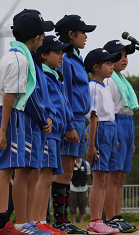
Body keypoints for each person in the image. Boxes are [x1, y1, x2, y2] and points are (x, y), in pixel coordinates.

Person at [0, 9, 54, 235]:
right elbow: (9, 96)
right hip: (8, 116)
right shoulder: (21, 60)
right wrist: (4, 130)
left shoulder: (9, 56)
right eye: (43, 34)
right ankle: (7, 225)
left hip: (0, 114)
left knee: (5, 172)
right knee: (7, 172)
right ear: (36, 38)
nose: (44, 38)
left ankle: (7, 225)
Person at [32, 35, 84, 235]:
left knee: (46, 179)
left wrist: (67, 123)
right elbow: (46, 103)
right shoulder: (44, 76)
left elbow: (63, 104)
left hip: (57, 133)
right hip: (48, 132)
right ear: (44, 55)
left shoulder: (54, 76)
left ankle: (41, 222)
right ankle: (37, 221)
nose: (61, 56)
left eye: (63, 52)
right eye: (57, 52)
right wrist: (52, 118)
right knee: (43, 179)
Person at [52, 15, 95, 234]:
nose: (86, 36)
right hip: (71, 120)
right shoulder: (66, 60)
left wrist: (82, 125)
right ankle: (60, 221)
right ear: (71, 34)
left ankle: (63, 220)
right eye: (83, 32)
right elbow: (65, 95)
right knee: (63, 172)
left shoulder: (76, 57)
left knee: (68, 173)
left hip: (79, 119)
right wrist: (69, 125)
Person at [84, 48, 122, 234]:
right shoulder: (92, 87)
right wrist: (91, 144)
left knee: (106, 178)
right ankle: (94, 220)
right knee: (99, 178)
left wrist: (114, 138)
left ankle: (101, 218)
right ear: (96, 67)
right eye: (108, 63)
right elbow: (93, 116)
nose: (111, 66)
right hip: (99, 131)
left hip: (110, 130)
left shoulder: (106, 86)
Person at [102, 40, 138, 233]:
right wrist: (114, 135)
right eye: (119, 56)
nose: (123, 60)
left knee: (121, 176)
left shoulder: (122, 80)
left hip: (127, 124)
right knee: (113, 175)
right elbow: (108, 109)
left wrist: (131, 139)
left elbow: (128, 109)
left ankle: (118, 215)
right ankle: (110, 218)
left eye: (125, 56)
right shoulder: (108, 80)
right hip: (115, 123)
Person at [69, 158, 91, 226]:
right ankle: (74, 223)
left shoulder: (86, 164)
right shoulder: (71, 163)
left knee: (83, 206)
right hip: (73, 188)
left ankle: (81, 223)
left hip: (83, 188)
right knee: (72, 206)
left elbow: (88, 174)